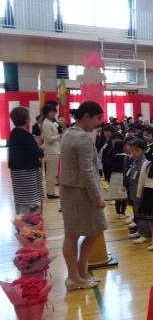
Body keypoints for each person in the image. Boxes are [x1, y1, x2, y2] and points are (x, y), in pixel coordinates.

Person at [59, 101, 108, 291]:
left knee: (81, 232)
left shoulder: (68, 133)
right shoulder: (83, 138)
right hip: (81, 192)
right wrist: (97, 196)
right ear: (86, 116)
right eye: (98, 118)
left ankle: (80, 271)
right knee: (77, 233)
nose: (99, 123)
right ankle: (74, 276)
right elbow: (87, 171)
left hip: (70, 189)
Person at [8, 106, 44, 214]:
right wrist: (41, 149)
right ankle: (27, 221)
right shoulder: (26, 135)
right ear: (26, 119)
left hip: (17, 170)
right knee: (28, 198)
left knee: (20, 197)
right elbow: (34, 152)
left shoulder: (14, 133)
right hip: (27, 171)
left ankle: (21, 219)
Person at [103, 139, 129, 217]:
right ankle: (123, 213)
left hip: (115, 177)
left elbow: (109, 166)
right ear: (123, 147)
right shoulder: (126, 157)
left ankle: (118, 213)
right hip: (124, 177)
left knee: (117, 196)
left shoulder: (114, 157)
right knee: (124, 196)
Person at [41, 103, 61, 198]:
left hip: (54, 150)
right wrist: (60, 136)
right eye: (51, 111)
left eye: (54, 111)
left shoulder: (50, 122)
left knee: (52, 173)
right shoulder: (46, 124)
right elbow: (48, 139)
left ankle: (51, 191)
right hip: (51, 151)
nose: (53, 113)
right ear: (46, 112)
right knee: (51, 173)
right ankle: (50, 192)